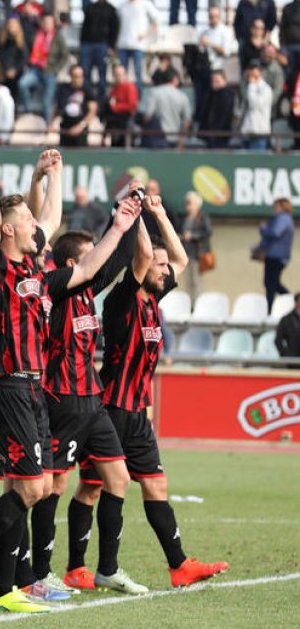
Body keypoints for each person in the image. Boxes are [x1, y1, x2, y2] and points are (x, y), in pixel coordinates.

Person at [0, 145, 138, 613]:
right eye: (27, 220)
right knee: (33, 488)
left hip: (32, 388)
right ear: (9, 229)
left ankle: (7, 588)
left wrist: (119, 225)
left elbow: (87, 267)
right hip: (8, 385)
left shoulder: (38, 274)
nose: (39, 226)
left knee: (23, 487)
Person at [98, 192, 228, 588]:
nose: (165, 269)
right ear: (142, 268)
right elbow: (141, 258)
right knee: (85, 488)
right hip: (110, 409)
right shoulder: (122, 300)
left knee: (156, 485)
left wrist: (158, 213)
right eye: (157, 265)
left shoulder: (155, 298)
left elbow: (183, 259)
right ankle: (94, 568)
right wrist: (136, 215)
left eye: (163, 266)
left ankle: (178, 566)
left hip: (138, 414)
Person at [41, 190, 147, 597]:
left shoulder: (89, 290)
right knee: (51, 487)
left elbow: (116, 257)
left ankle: (107, 569)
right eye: (89, 256)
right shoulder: (63, 289)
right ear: (73, 263)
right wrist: (116, 226)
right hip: (62, 399)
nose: (97, 262)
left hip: (93, 399)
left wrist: (130, 216)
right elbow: (99, 261)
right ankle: (40, 571)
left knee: (117, 478)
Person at [254, 199, 295, 308]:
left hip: (276, 256)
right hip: (276, 256)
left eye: (276, 206)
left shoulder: (283, 219)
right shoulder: (283, 219)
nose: (274, 209)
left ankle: (279, 304)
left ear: (282, 207)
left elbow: (275, 233)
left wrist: (263, 229)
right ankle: (290, 301)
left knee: (271, 283)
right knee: (271, 283)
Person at [117, 0, 159, 93]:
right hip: (123, 45)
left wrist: (145, 34)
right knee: (122, 75)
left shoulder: (145, 4)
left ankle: (137, 100)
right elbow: (116, 24)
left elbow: (156, 21)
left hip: (138, 46)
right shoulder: (122, 6)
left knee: (138, 74)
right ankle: (123, 97)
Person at [79, 0, 119, 98]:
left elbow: (115, 29)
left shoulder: (111, 9)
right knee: (85, 73)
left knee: (102, 75)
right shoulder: (90, 7)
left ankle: (101, 100)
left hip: (102, 46)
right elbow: (85, 27)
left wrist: (111, 46)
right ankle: (87, 98)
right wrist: (82, 43)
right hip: (88, 45)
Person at [177, 192, 212, 299]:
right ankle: (190, 305)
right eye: (186, 202)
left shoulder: (203, 217)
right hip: (185, 254)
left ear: (197, 204)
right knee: (187, 281)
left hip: (197, 254)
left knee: (197, 281)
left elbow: (207, 232)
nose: (187, 205)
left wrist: (192, 236)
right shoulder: (184, 218)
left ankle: (198, 305)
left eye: (190, 203)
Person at [55, 65, 98, 147]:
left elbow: (92, 111)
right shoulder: (63, 89)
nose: (78, 79)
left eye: (80, 76)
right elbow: (56, 106)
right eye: (75, 76)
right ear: (70, 76)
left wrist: (81, 126)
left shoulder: (87, 90)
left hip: (80, 128)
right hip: (65, 126)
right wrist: (53, 122)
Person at [274, 293, 300, 358]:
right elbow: (278, 340)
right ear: (296, 302)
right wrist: (284, 354)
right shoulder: (286, 319)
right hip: (292, 358)